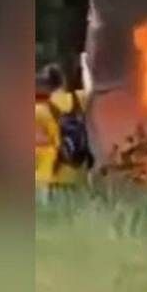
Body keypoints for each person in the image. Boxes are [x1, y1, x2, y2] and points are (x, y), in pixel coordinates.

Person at [35, 53, 95, 204]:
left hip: (48, 177)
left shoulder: (39, 110)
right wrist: (85, 66)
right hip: (76, 175)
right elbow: (92, 90)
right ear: (62, 83)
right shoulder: (76, 100)